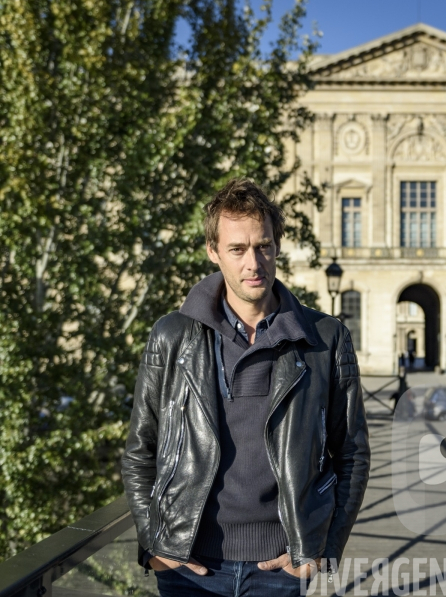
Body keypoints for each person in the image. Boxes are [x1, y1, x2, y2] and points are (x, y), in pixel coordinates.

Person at [121, 178, 370, 597]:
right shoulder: (172, 335)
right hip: (188, 566)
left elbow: (353, 454)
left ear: (276, 246)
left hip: (281, 565)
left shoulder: (325, 338)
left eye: (264, 246)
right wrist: (155, 542)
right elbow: (139, 452)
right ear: (214, 252)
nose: (253, 263)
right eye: (237, 249)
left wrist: (323, 549)